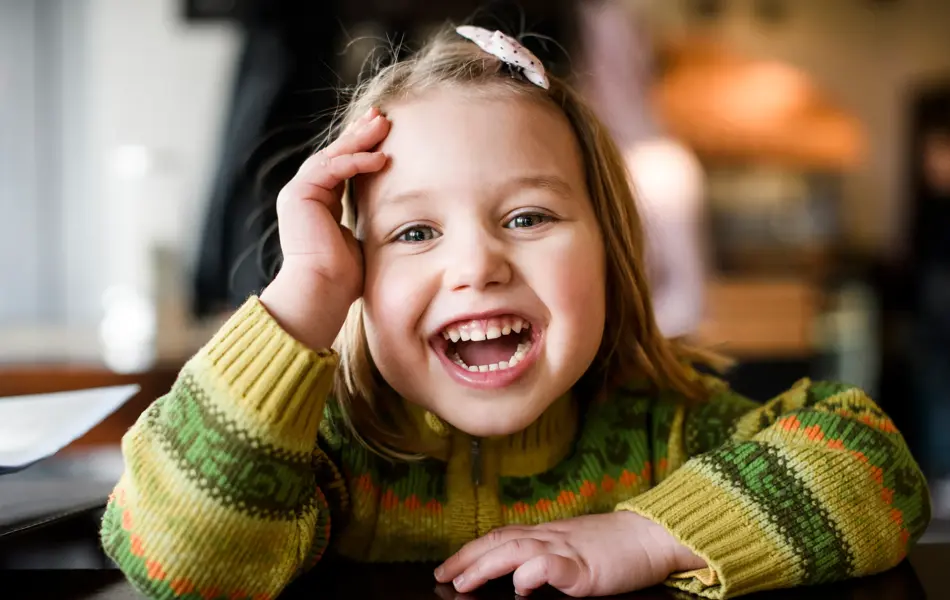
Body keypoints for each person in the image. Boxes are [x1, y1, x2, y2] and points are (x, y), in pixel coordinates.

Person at [100, 25, 930, 600]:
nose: (476, 266)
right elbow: (182, 564)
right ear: (357, 277)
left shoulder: (666, 433)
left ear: (610, 248)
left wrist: (649, 537)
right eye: (415, 232)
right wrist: (301, 295)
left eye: (527, 218)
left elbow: (879, 472)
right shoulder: (320, 459)